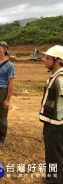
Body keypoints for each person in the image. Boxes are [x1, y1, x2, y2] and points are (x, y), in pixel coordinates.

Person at [39, 45, 63, 184]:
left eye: (47, 58)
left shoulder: (60, 78)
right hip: (52, 123)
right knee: (53, 154)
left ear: (57, 61)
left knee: (55, 156)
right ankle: (53, 177)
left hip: (56, 125)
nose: (44, 60)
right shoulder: (55, 76)